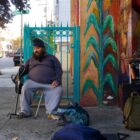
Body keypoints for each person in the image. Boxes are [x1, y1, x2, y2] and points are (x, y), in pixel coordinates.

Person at [18, 38, 63, 119]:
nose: (36, 50)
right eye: (34, 48)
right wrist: (19, 76)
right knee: (25, 87)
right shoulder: (30, 59)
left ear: (43, 48)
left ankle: (51, 112)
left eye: (38, 48)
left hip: (50, 83)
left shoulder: (52, 58)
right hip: (32, 81)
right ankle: (25, 111)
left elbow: (58, 70)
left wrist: (57, 80)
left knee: (58, 89)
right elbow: (24, 70)